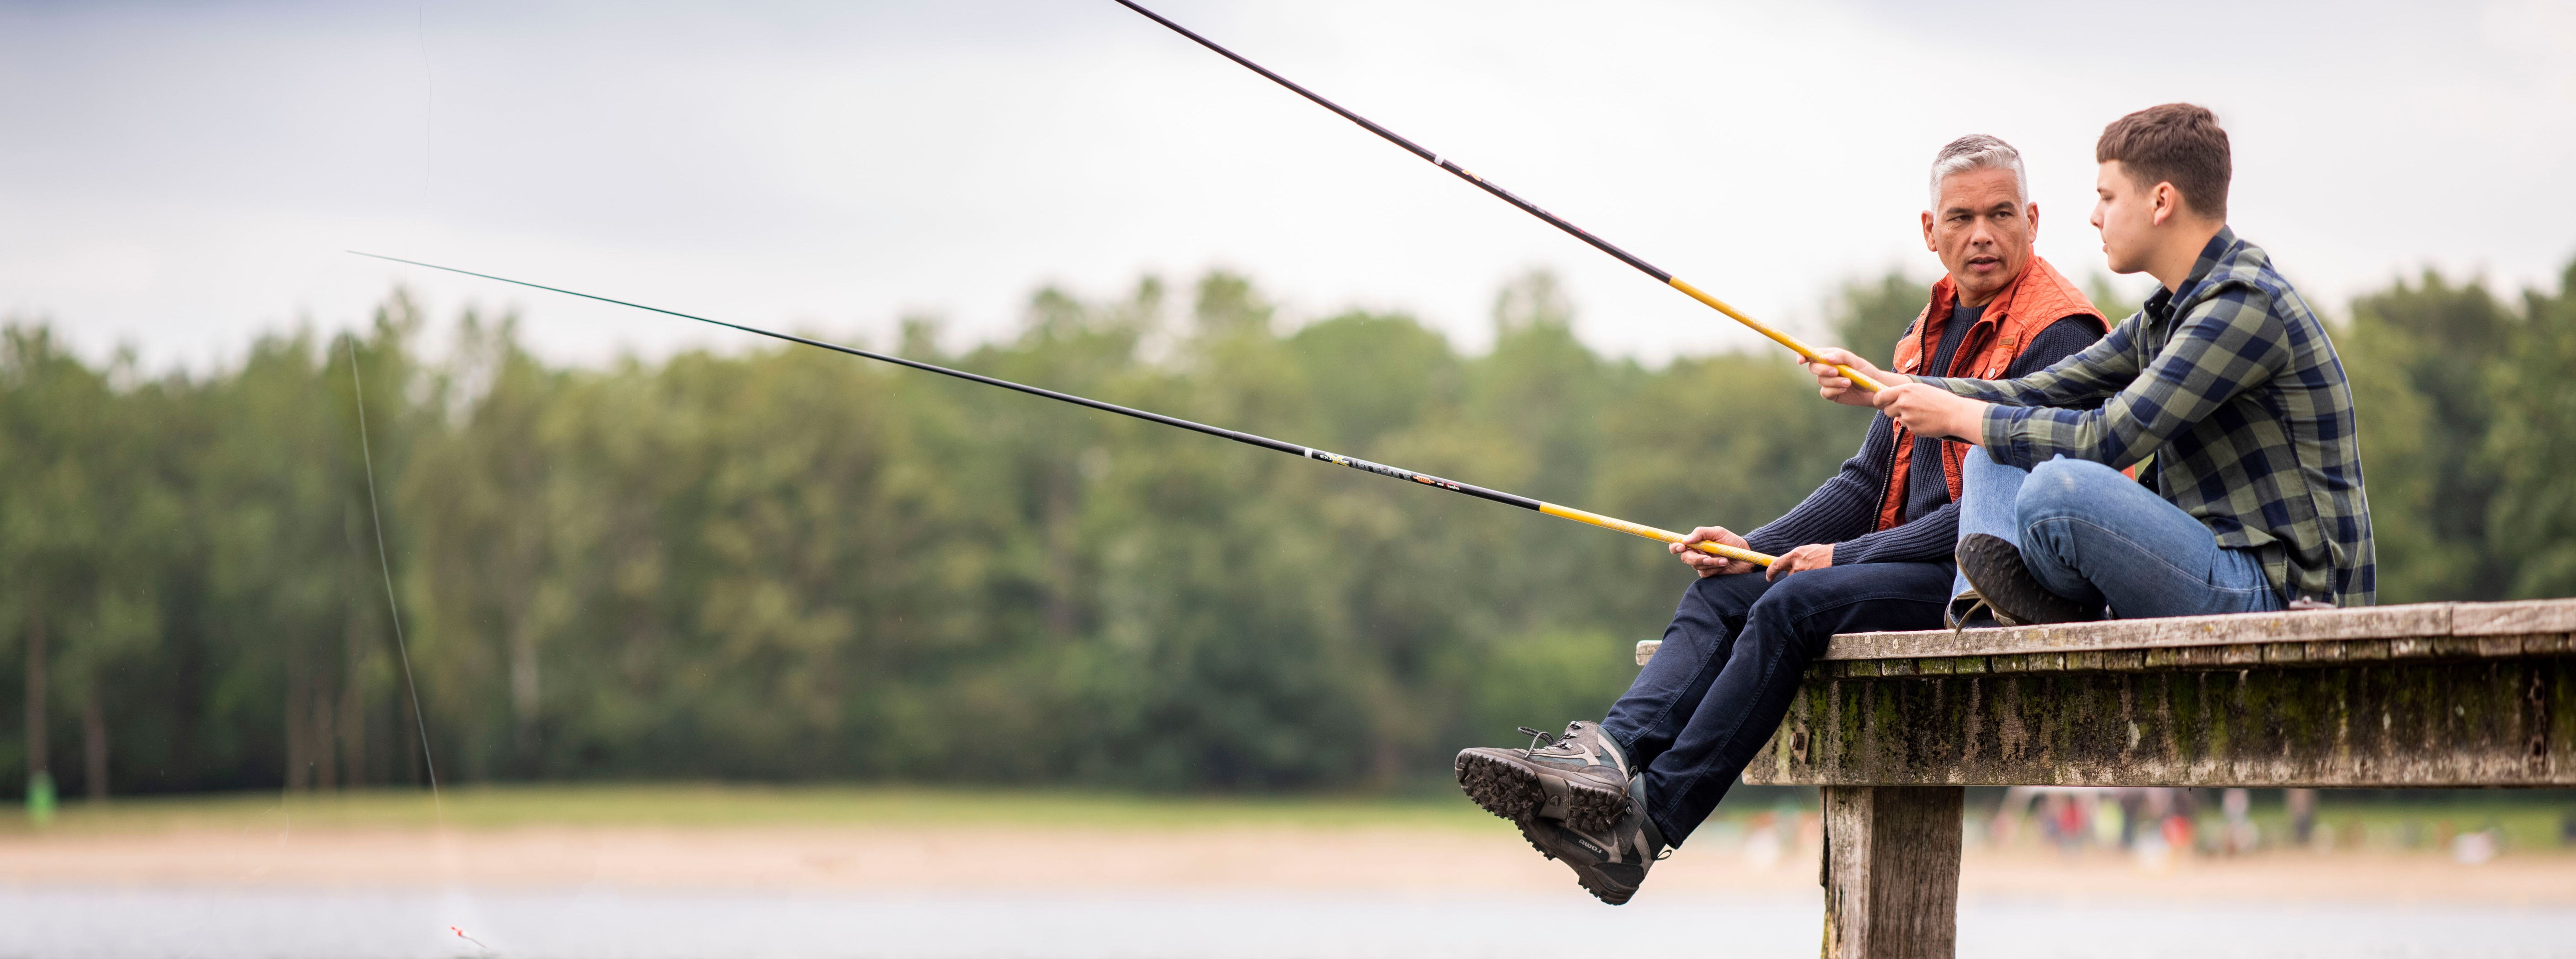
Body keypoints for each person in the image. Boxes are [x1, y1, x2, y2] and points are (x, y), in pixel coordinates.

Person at [1451, 134, 2108, 905]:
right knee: (1728, 589)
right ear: (1930, 232)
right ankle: (1609, 759)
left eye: (2001, 214)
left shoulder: (2061, 331)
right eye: (1961, 217)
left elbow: (1998, 514)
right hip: (1901, 558)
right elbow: (1866, 481)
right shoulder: (1926, 329)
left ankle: (1647, 825)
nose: (1983, 235)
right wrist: (1754, 549)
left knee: (1795, 602)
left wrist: (1844, 558)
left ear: (2033, 218)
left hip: (1987, 581)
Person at [1816, 104, 2374, 627]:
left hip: (2279, 596)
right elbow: (2043, 389)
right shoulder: (2173, 312)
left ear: (2160, 203)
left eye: (2107, 197)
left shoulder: (2242, 309)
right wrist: (1887, 386)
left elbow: (2108, 437)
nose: (2093, 215)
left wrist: (1958, 417)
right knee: (1996, 454)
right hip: (2208, 566)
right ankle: (1982, 618)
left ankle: (2016, 622)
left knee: (2058, 488)